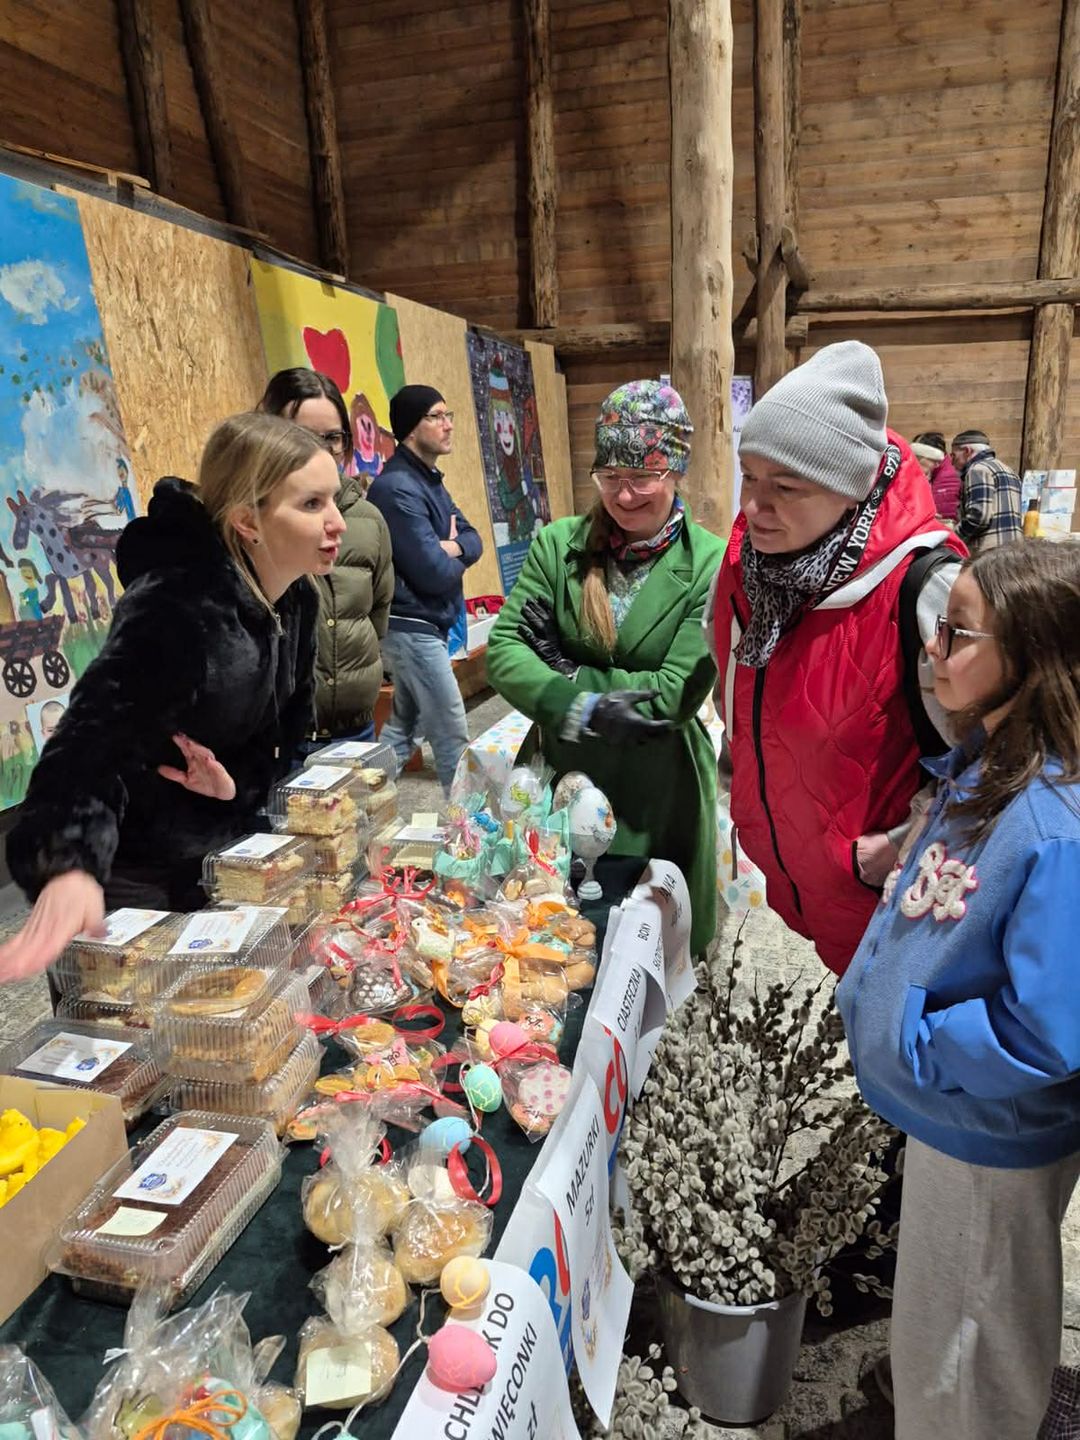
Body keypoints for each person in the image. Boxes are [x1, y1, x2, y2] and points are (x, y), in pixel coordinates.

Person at [837, 540, 1080, 1440]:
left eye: (957, 631)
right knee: (942, 1326)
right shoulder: (984, 766)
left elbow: (1050, 1028)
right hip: (958, 1116)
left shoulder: (1054, 822)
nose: (930, 648)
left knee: (970, 1349)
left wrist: (917, 1043)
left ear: (1032, 658)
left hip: (990, 1130)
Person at [0, 412, 343, 982]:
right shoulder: (180, 603)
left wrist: (236, 787)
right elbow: (89, 739)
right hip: (133, 881)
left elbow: (277, 737)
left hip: (216, 863)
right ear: (248, 521)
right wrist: (68, 862)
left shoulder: (298, 599)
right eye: (311, 505)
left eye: (335, 499)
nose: (336, 523)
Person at [709, 341, 966, 975]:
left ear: (849, 491)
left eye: (785, 487)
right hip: (802, 890)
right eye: (750, 477)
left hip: (890, 901)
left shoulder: (925, 588)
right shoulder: (752, 572)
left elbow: (1003, 763)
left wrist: (902, 845)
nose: (752, 508)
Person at [486, 380, 725, 956]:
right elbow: (503, 652)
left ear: (675, 472)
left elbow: (672, 695)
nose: (624, 496)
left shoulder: (712, 562)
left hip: (658, 787)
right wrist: (582, 701)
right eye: (611, 479)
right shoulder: (557, 545)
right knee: (557, 943)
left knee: (655, 950)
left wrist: (564, 670)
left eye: (642, 478)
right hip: (563, 777)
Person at [259, 367, 393, 746]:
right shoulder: (255, 521)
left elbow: (378, 612)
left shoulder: (368, 519)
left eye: (331, 437)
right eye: (302, 436)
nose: (319, 450)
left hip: (355, 724)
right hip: (283, 736)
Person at [367, 384, 482, 794]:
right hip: (410, 627)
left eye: (449, 415)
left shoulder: (428, 480)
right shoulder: (396, 488)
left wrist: (450, 545)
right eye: (436, 416)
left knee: (403, 731)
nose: (448, 425)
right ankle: (468, 840)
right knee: (451, 734)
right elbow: (433, 572)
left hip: (425, 624)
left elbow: (474, 539)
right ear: (411, 428)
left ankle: (358, 809)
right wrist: (449, 550)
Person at [951, 427, 1023, 552]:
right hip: (1014, 549)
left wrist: (954, 538)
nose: (952, 462)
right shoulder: (1009, 470)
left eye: (954, 455)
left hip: (989, 553)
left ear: (967, 451)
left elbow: (979, 516)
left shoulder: (978, 470)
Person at [911, 430, 960, 522]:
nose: (915, 461)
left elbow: (945, 513)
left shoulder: (947, 477)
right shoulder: (934, 473)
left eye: (919, 458)